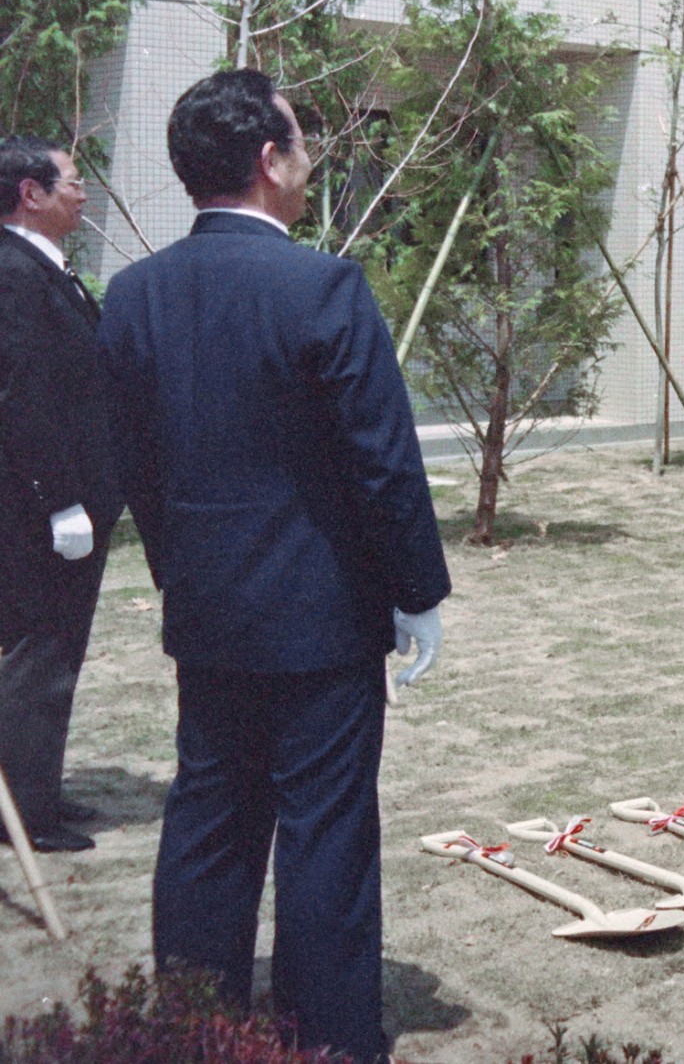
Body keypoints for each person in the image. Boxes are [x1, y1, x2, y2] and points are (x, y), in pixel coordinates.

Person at [96, 69, 451, 1062]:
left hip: (207, 611)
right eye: (300, 143)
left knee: (208, 821)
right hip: (322, 616)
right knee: (325, 835)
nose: (310, 162)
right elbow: (383, 462)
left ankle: (186, 1030)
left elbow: (138, 468)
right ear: (266, 160)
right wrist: (417, 591)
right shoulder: (324, 285)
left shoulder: (132, 294)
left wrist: (184, 571)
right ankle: (327, 1039)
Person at [0, 136, 122, 854]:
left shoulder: (44, 268)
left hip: (68, 497)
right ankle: (23, 810)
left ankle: (34, 784)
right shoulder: (14, 273)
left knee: (57, 649)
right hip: (39, 509)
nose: (82, 192)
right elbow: (21, 396)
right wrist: (58, 499)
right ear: (31, 194)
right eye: (71, 181)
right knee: (40, 650)